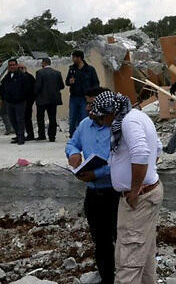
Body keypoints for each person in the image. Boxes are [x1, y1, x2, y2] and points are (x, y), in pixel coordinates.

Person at [92, 91, 163, 284]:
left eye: (100, 117)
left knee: (128, 261)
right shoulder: (138, 116)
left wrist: (134, 189)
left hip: (138, 199)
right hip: (147, 192)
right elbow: (157, 149)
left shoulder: (128, 122)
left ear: (110, 112)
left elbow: (141, 153)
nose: (101, 122)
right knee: (145, 255)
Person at [65, 87, 118, 283]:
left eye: (92, 104)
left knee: (121, 240)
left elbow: (121, 162)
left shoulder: (117, 127)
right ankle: (107, 278)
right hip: (94, 194)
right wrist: (74, 154)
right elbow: (72, 143)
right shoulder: (85, 125)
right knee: (101, 242)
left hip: (115, 193)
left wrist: (97, 173)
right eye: (87, 103)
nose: (88, 108)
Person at [66, 50, 99, 137]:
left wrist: (91, 95)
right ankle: (72, 135)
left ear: (79, 58)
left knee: (84, 117)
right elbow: (66, 82)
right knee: (72, 117)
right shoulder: (72, 69)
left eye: (74, 57)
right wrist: (70, 82)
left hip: (85, 98)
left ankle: (84, 135)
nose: (72, 59)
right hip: (74, 97)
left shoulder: (90, 70)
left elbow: (96, 83)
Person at [0, 59, 32, 145]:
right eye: (10, 65)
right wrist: (3, 98)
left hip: (20, 102)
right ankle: (18, 135)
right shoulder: (7, 77)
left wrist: (22, 97)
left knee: (20, 119)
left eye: (13, 65)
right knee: (12, 119)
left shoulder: (22, 76)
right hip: (9, 102)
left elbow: (27, 89)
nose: (12, 67)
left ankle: (21, 137)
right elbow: (2, 88)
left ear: (16, 66)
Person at [35, 58, 65, 142]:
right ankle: (52, 136)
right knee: (52, 118)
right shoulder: (57, 73)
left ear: (44, 63)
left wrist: (35, 95)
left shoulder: (39, 73)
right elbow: (62, 86)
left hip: (42, 99)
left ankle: (42, 135)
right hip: (53, 99)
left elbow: (38, 86)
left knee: (40, 117)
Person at [18, 64, 36, 141]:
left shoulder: (29, 77)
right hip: (20, 101)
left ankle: (30, 134)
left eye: (22, 68)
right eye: (19, 68)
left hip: (28, 101)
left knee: (27, 118)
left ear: (25, 68)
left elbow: (32, 89)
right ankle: (20, 134)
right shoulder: (17, 77)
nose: (20, 69)